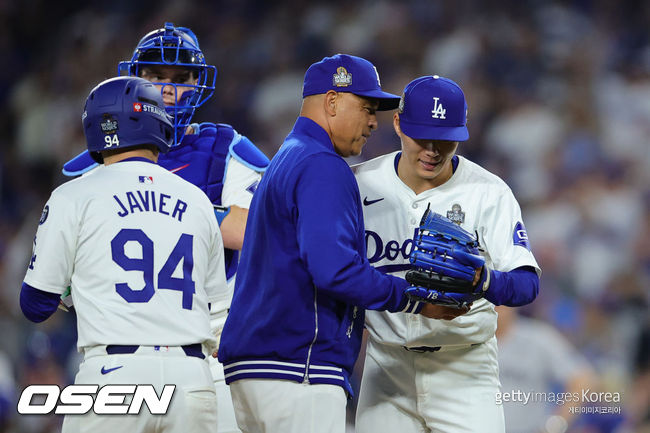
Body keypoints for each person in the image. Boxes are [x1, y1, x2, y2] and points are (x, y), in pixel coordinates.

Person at [61, 22, 269, 433]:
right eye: (155, 76)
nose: (168, 89)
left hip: (210, 345)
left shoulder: (226, 147)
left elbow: (255, 231)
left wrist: (166, 206)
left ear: (198, 84)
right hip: (120, 339)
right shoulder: (95, 158)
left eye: (180, 79)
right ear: (135, 78)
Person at [218, 54, 442, 433]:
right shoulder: (321, 164)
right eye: (367, 107)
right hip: (298, 370)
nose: (374, 121)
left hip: (256, 369)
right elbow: (334, 270)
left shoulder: (285, 159)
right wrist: (417, 297)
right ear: (332, 101)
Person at [20, 76, 225, 433]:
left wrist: (79, 287)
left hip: (115, 376)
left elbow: (35, 303)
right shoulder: (198, 201)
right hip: (192, 378)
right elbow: (216, 304)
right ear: (159, 123)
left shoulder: (74, 196)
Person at [352, 75, 541, 433]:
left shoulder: (488, 192)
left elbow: (526, 283)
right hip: (386, 366)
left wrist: (482, 280)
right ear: (397, 124)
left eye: (445, 139)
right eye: (422, 137)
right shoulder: (360, 183)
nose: (432, 150)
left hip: (464, 367)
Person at [496, 306, 595, 433]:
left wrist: (556, 424)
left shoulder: (538, 338)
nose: (495, 303)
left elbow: (583, 380)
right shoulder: (466, 338)